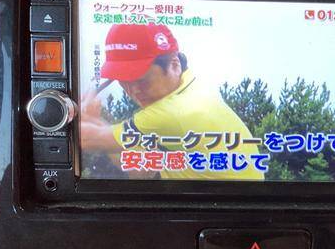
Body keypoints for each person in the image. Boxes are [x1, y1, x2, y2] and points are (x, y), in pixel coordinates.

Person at [80, 22, 265, 180]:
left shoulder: (174, 112)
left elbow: (85, 138)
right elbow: (141, 170)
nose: (133, 91)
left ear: (174, 65)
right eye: (124, 82)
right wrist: (94, 122)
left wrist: (79, 115)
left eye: (142, 80)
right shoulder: (193, 88)